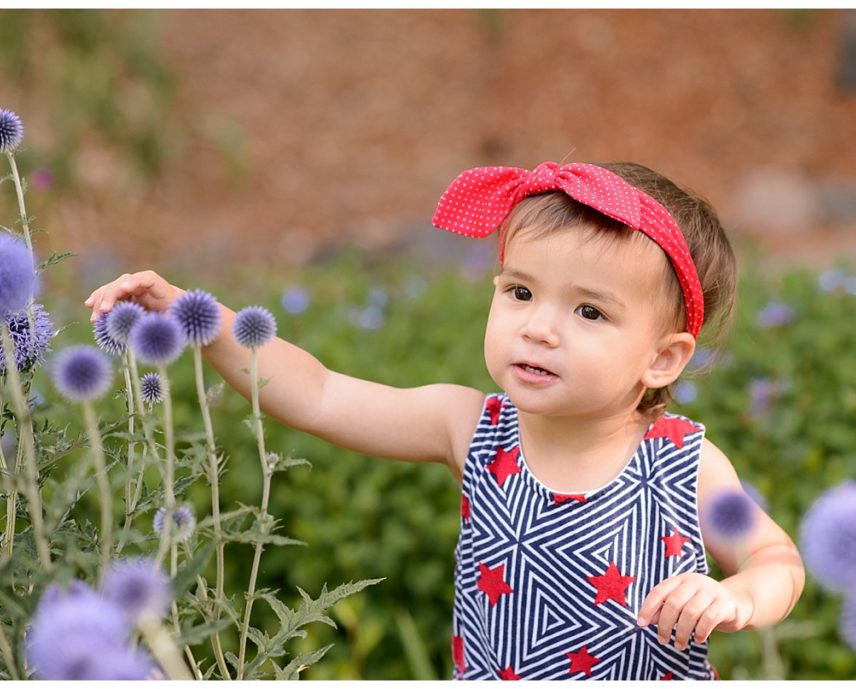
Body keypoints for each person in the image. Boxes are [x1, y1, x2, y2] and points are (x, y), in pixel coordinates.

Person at [84, 160, 805, 680]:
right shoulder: (471, 429)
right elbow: (321, 392)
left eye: (589, 310)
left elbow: (776, 560)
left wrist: (738, 593)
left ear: (663, 358)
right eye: (520, 291)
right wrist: (200, 319)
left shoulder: (682, 465)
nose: (539, 329)